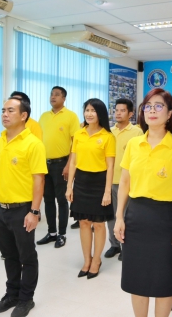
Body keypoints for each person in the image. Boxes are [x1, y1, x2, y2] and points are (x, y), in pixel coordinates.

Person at [114, 88, 172, 317]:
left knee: (164, 280)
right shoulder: (134, 143)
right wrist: (120, 217)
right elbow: (125, 183)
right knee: (136, 278)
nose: (152, 111)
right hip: (136, 215)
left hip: (166, 217)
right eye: (148, 106)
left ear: (170, 113)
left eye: (159, 106)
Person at [0, 96, 47, 317]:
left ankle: (26, 299)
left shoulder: (33, 144)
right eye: (3, 110)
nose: (4, 114)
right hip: (0, 209)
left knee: (26, 256)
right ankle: (12, 294)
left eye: (10, 110)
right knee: (8, 255)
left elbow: (39, 180)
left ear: (23, 116)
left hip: (23, 210)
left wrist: (34, 211)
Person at [66, 98, 116, 279]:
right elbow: (73, 162)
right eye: (87, 110)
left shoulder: (108, 137)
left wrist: (107, 192)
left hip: (99, 182)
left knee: (99, 224)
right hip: (81, 182)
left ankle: (96, 260)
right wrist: (69, 186)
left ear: (100, 113)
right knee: (84, 223)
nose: (89, 113)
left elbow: (110, 166)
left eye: (93, 110)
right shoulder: (79, 134)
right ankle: (86, 260)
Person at [37, 86, 80, 247]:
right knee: (47, 199)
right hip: (44, 164)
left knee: (62, 200)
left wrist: (69, 165)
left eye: (57, 95)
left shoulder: (71, 116)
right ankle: (52, 232)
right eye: (51, 94)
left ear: (64, 98)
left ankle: (62, 234)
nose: (53, 97)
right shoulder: (44, 116)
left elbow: (75, 144)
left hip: (62, 163)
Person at [105, 98, 143, 261]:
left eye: (122, 110)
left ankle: (126, 245)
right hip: (110, 180)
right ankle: (114, 244)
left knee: (126, 215)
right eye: (116, 110)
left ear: (130, 114)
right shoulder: (109, 132)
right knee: (111, 215)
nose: (118, 113)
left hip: (128, 182)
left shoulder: (137, 133)